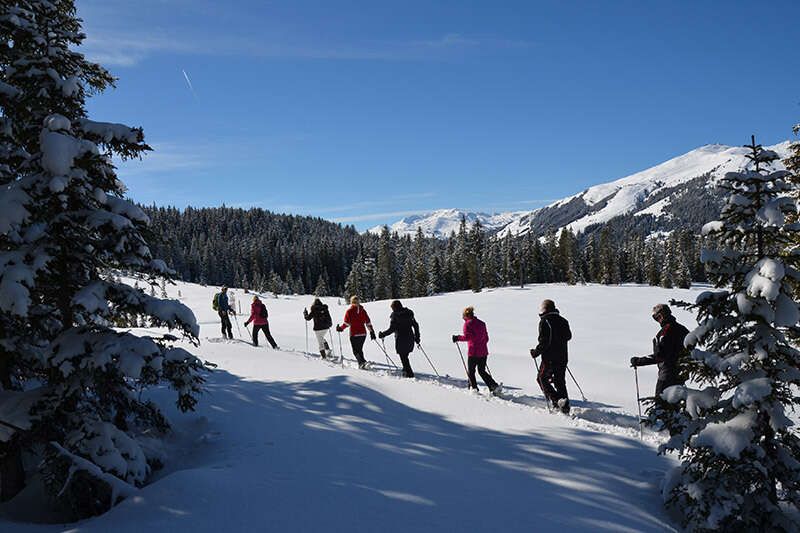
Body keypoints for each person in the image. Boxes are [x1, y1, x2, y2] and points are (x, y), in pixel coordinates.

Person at [630, 304, 690, 396]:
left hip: (667, 376)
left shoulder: (665, 332)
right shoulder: (683, 329)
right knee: (677, 406)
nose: (658, 320)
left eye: (657, 317)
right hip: (681, 375)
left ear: (662, 315)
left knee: (661, 407)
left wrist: (639, 361)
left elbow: (660, 356)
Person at [530, 299, 572, 414]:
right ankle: (565, 406)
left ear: (545, 309)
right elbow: (568, 336)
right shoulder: (563, 321)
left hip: (549, 358)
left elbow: (544, 341)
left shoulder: (545, 321)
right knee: (560, 381)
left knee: (542, 378)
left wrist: (536, 352)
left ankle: (557, 401)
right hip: (562, 356)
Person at [452, 306, 501, 394]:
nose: (462, 318)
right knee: (481, 371)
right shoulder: (482, 323)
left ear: (466, 316)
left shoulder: (467, 324)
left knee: (471, 371)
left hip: (473, 352)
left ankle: (473, 388)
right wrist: (482, 344)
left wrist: (457, 338)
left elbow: (468, 337)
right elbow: (486, 338)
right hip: (483, 352)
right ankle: (493, 385)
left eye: (463, 316)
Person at [378, 300, 421, 378]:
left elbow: (392, 329)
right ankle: (405, 370)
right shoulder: (409, 313)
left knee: (403, 357)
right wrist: (417, 337)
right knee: (405, 355)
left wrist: (382, 334)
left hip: (401, 338)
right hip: (410, 337)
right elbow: (416, 325)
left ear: (394, 308)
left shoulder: (395, 316)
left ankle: (409, 374)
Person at [336, 296, 376, 369]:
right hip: (363, 334)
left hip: (354, 334)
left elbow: (346, 324)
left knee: (355, 351)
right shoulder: (363, 311)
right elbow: (368, 323)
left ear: (351, 302)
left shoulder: (349, 311)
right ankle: (364, 362)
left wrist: (340, 328)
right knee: (359, 349)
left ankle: (361, 364)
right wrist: (372, 332)